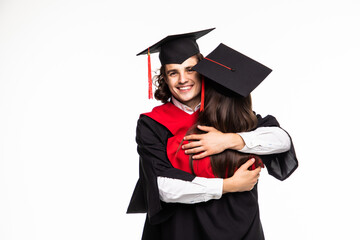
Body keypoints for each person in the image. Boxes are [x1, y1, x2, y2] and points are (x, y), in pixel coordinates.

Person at [127, 29, 298, 239]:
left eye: (190, 69)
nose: (183, 79)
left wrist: (229, 140)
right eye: (173, 72)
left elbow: (281, 141)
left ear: (203, 70)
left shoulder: (227, 112)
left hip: (240, 228)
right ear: (164, 77)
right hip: (181, 230)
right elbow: (161, 187)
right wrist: (227, 186)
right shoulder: (153, 123)